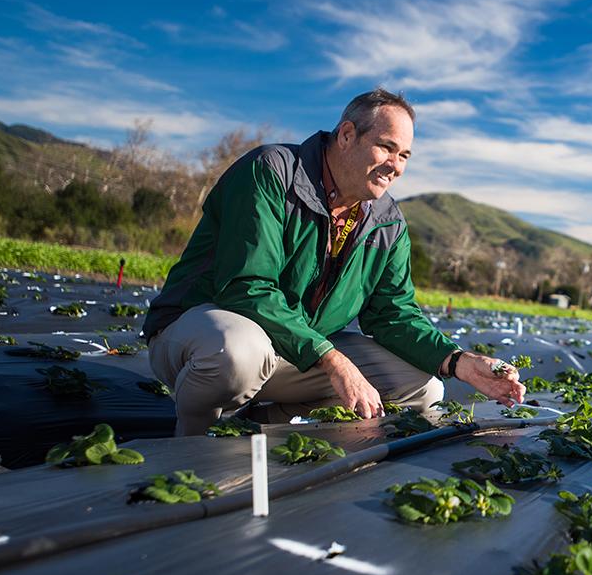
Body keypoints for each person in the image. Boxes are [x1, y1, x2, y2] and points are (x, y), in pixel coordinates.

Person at [143, 88, 525, 436]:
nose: (395, 165)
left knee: (423, 388)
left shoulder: (387, 222)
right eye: (386, 147)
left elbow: (394, 314)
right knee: (237, 351)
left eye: (404, 155)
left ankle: (263, 423)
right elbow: (247, 287)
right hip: (199, 335)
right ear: (346, 136)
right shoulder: (272, 173)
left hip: (293, 349)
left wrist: (458, 360)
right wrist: (330, 357)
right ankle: (195, 438)